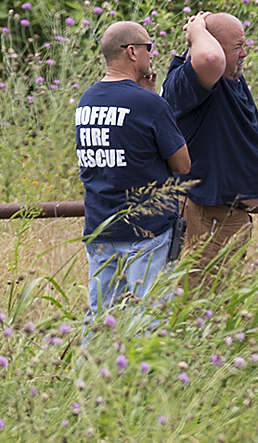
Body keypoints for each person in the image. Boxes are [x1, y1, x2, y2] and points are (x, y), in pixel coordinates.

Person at [77, 21, 191, 315]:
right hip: (146, 229)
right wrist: (154, 99)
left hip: (100, 225)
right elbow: (182, 164)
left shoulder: (87, 100)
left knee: (101, 317)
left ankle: (93, 348)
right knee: (148, 319)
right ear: (131, 52)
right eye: (148, 48)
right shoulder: (149, 104)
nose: (152, 55)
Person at [162, 11, 258, 293]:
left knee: (220, 305)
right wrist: (196, 28)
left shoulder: (229, 79)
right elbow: (210, 58)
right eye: (237, 47)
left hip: (226, 217)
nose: (244, 53)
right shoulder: (189, 82)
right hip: (205, 217)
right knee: (198, 303)